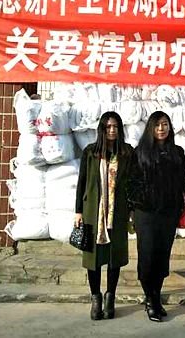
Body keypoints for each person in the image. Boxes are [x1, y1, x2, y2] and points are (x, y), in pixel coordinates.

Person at [129, 111, 185, 322]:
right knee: (147, 256)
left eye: (165, 124)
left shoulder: (177, 152)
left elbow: (184, 179)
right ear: (150, 129)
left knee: (162, 256)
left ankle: (156, 296)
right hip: (146, 213)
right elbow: (131, 182)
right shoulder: (140, 152)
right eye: (157, 125)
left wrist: (180, 201)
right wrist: (141, 201)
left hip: (168, 213)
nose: (161, 129)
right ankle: (151, 299)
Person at [74, 112, 135, 320]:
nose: (112, 130)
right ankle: (95, 298)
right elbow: (82, 182)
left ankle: (110, 298)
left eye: (115, 126)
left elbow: (132, 183)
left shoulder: (126, 152)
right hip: (93, 213)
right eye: (108, 127)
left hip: (117, 213)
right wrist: (78, 211)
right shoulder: (91, 152)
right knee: (93, 258)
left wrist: (132, 209)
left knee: (113, 257)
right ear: (102, 129)